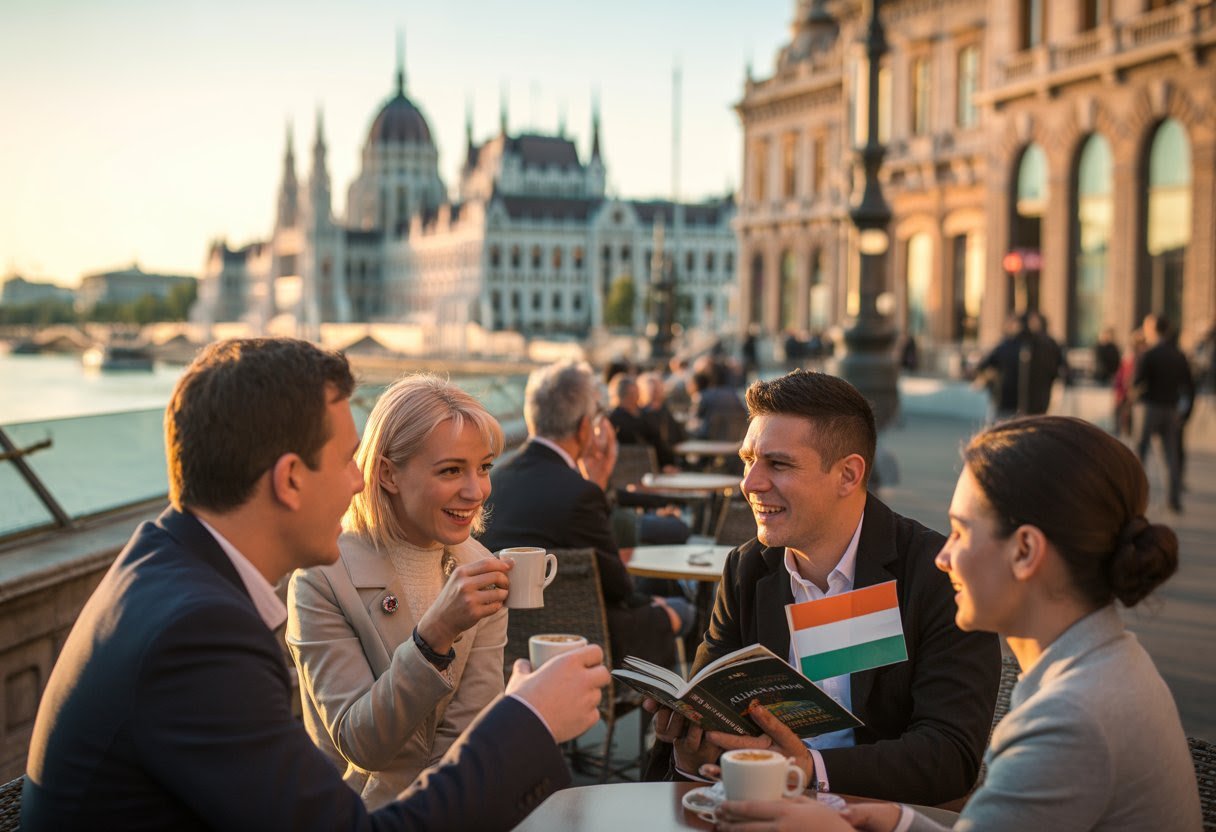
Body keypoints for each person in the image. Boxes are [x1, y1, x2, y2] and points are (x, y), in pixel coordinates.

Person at [21, 338, 610, 830]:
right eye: (350, 460)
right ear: (290, 480)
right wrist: (528, 717)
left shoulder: (168, 573)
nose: (360, 484)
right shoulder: (199, 633)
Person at [713, 416, 1201, 832]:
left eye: (962, 532)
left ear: (1026, 551)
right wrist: (902, 823)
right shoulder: (1104, 661)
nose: (943, 556)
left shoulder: (1070, 718)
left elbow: (950, 756)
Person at [643, 370, 1000, 805]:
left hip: (883, 815)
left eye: (778, 464)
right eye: (748, 460)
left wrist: (812, 771)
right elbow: (704, 708)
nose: (749, 483)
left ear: (848, 475)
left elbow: (949, 755)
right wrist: (687, 751)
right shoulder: (748, 570)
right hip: (761, 809)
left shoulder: (937, 575)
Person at [287, 375, 512, 809]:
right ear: (388, 473)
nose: (476, 490)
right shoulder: (321, 577)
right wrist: (433, 638)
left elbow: (469, 731)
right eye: (451, 470)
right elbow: (360, 744)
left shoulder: (478, 564)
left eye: (484, 467)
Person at [478, 360, 685, 667]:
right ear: (585, 427)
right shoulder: (579, 492)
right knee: (682, 608)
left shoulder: (492, 482)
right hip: (583, 642)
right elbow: (620, 587)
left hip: (505, 646)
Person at [1135, 314, 1194, 513]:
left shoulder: (1149, 354)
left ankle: (1135, 498)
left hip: (1149, 407)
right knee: (1170, 456)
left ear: (1153, 330)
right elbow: (1189, 385)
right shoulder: (1178, 354)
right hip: (1171, 408)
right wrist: (1185, 413)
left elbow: (1137, 382)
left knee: (1139, 454)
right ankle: (1173, 499)